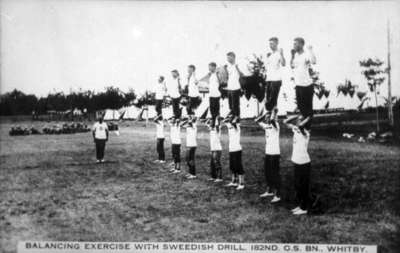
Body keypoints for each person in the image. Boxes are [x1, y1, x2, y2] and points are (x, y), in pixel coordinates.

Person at [284, 115, 312, 215]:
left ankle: (304, 208)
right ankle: (300, 205)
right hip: (296, 161)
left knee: (303, 186)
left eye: (300, 119)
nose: (298, 120)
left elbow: (301, 126)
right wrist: (296, 115)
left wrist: (308, 117)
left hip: (304, 162)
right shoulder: (296, 129)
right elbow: (285, 122)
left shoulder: (306, 132)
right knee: (297, 185)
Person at [290, 37, 316, 130]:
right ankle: (304, 128)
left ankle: (307, 129)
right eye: (293, 44)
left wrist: (311, 50)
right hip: (298, 85)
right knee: (301, 109)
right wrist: (292, 55)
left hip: (307, 86)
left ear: (301, 44)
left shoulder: (306, 54)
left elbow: (314, 61)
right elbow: (292, 65)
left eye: (295, 44)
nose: (294, 46)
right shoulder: (296, 55)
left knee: (308, 110)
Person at [263, 37, 286, 124]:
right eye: (269, 44)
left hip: (276, 79)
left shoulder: (279, 53)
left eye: (272, 43)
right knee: (269, 97)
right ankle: (273, 113)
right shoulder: (270, 55)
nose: (270, 45)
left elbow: (284, 64)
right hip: (269, 79)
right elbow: (267, 68)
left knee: (272, 97)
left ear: (277, 43)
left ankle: (270, 112)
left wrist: (282, 54)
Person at [258, 120, 281, 203]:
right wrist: (265, 112)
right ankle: (269, 191)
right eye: (266, 117)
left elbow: (272, 120)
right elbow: (257, 120)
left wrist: (272, 112)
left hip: (274, 153)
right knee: (267, 173)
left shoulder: (276, 125)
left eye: (269, 116)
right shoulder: (266, 126)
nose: (267, 118)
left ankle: (277, 195)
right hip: (268, 153)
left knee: (274, 174)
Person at [225, 52, 244, 124]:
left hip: (236, 87)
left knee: (235, 103)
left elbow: (242, 75)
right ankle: (232, 116)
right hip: (230, 87)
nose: (228, 59)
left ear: (233, 57)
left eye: (229, 57)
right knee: (230, 104)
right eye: (227, 57)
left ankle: (237, 117)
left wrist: (237, 68)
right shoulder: (228, 66)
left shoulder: (238, 65)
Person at [225, 122, 244, 190]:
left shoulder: (237, 126)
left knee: (238, 167)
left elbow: (234, 122)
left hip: (237, 149)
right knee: (232, 166)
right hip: (231, 149)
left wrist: (234, 117)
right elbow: (224, 120)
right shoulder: (229, 125)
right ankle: (234, 181)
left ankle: (241, 183)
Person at [207, 62, 221, 127]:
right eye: (209, 67)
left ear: (214, 67)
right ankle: (213, 122)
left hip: (217, 94)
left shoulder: (217, 74)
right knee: (212, 109)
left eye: (210, 67)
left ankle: (217, 122)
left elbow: (220, 82)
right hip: (211, 94)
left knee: (216, 108)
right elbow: (209, 84)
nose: (209, 68)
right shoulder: (210, 75)